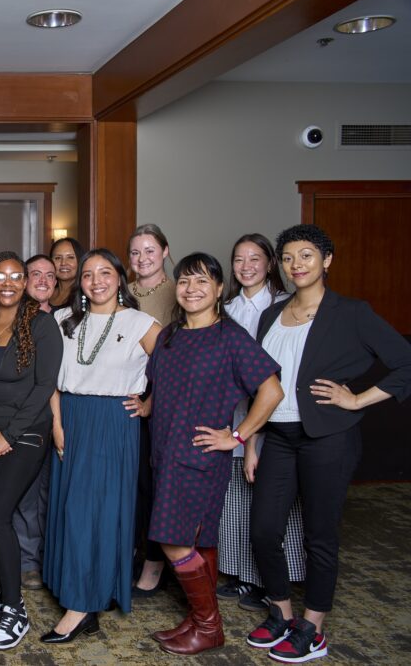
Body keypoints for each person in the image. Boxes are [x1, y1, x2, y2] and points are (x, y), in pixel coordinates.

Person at [247, 224, 411, 663]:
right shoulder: (271, 315)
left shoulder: (351, 313)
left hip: (328, 439)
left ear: (327, 261)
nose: (295, 265)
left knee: (319, 536)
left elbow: (404, 363)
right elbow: (262, 384)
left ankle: (312, 627)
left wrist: (356, 398)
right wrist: (251, 442)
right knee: (263, 530)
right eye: (287, 258)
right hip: (278, 439)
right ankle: (281, 613)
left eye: (306, 256)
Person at [145, 252, 283, 656]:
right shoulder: (170, 335)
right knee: (198, 539)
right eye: (185, 281)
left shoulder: (230, 336)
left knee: (173, 541)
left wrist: (236, 437)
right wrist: (146, 405)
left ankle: (209, 626)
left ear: (220, 290)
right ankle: (198, 618)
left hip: (199, 458)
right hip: (164, 453)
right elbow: (164, 388)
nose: (191, 289)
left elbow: (271, 391)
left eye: (202, 281)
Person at [40, 249, 160, 644]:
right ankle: (85, 588)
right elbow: (49, 381)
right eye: (88, 274)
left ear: (119, 278)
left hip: (113, 424)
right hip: (70, 418)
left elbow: (176, 370)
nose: (96, 281)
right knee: (72, 509)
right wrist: (57, 424)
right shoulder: (61, 320)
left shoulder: (141, 322)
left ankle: (83, 606)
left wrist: (148, 404)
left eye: (105, 272)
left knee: (100, 512)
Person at [0, 252, 60, 650]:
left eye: (16, 276)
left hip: (26, 435)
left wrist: (8, 434)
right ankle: (4, 591)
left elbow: (44, 387)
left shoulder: (41, 324)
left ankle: (15, 608)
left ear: (24, 283)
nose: (7, 282)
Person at [217, 234, 306, 611]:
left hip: (278, 416)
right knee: (236, 498)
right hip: (233, 416)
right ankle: (242, 575)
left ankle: (273, 581)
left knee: (272, 503)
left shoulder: (286, 305)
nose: (247, 266)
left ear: (270, 263)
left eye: (255, 258)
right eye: (239, 259)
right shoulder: (228, 307)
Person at [127, 223, 176, 597]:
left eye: (149, 250)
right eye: (135, 252)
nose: (142, 259)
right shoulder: (120, 291)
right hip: (127, 400)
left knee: (159, 487)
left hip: (164, 402)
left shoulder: (180, 292)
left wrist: (152, 404)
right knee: (135, 487)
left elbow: (175, 361)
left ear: (165, 251)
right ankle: (135, 553)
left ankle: (156, 564)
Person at [14, 253, 60, 590]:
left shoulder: (70, 319)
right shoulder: (13, 319)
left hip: (65, 416)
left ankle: (52, 558)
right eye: (35, 274)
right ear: (23, 280)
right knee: (26, 492)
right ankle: (28, 561)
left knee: (54, 491)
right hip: (26, 418)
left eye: (49, 275)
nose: (42, 280)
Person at [48, 237, 84, 310]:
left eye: (70, 257)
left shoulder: (86, 295)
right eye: (58, 258)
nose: (63, 263)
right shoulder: (44, 291)